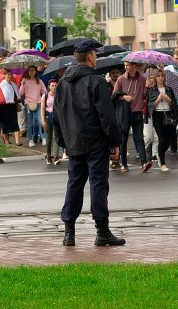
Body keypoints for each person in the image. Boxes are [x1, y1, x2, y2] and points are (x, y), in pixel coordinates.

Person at [54, 39, 124, 247]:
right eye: (95, 53)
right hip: (95, 142)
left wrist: (62, 141)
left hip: (74, 142)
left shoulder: (63, 84)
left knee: (74, 185)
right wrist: (115, 142)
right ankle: (102, 231)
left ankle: (69, 232)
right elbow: (106, 116)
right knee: (98, 185)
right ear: (91, 56)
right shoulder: (96, 81)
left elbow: (56, 117)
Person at [114, 61, 152, 173]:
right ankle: (124, 164)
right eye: (125, 65)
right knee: (123, 138)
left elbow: (146, 95)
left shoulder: (143, 79)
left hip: (137, 112)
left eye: (128, 65)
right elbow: (115, 94)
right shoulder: (121, 79)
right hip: (124, 113)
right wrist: (123, 97)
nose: (126, 67)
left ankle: (144, 163)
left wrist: (149, 87)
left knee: (139, 138)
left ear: (134, 66)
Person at [145, 68, 178, 171]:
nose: (160, 78)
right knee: (162, 139)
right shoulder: (152, 90)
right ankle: (162, 162)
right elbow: (150, 107)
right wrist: (158, 99)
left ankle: (159, 155)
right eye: (158, 76)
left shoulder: (169, 89)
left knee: (168, 140)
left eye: (162, 76)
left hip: (168, 115)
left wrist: (168, 100)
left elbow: (174, 105)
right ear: (155, 77)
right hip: (158, 116)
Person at [21, 65, 47, 147]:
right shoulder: (25, 81)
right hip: (28, 104)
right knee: (29, 124)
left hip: (38, 103)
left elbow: (45, 92)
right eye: (30, 70)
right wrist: (22, 84)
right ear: (28, 72)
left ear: (35, 71)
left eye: (33, 70)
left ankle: (43, 138)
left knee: (40, 122)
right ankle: (30, 140)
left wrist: (43, 100)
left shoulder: (39, 81)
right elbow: (21, 93)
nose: (31, 72)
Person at [0, 69, 22, 145]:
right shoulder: (1, 85)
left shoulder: (14, 84)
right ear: (4, 75)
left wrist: (18, 100)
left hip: (12, 106)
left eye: (11, 74)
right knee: (4, 124)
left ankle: (17, 141)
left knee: (15, 123)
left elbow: (18, 95)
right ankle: (6, 140)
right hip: (3, 107)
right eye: (8, 74)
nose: (10, 76)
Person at [41, 79, 61, 165]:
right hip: (48, 117)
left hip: (57, 117)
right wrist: (43, 120)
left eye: (56, 85)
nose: (54, 87)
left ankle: (56, 156)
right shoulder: (45, 96)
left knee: (55, 137)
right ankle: (48, 155)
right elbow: (42, 109)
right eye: (52, 85)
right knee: (48, 138)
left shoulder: (59, 95)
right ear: (49, 86)